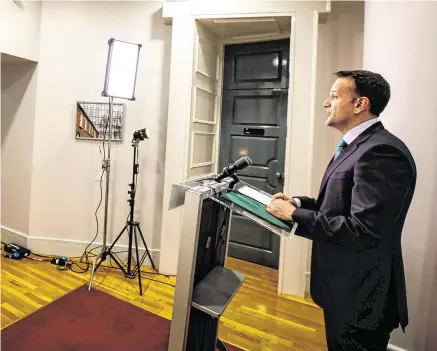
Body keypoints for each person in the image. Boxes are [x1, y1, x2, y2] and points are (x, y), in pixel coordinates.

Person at [266, 70, 417, 350]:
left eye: (334, 96)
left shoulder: (381, 152)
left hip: (361, 298)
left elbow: (363, 231)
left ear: (360, 104)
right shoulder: (356, 146)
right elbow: (340, 205)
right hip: (344, 290)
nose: (326, 103)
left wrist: (293, 215)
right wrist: (297, 203)